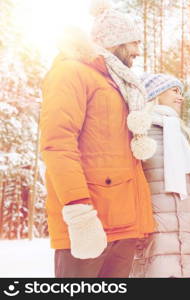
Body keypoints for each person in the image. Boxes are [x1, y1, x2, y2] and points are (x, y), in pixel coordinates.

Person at [39, 0, 156, 277]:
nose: (138, 51)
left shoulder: (120, 85)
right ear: (117, 41)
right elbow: (58, 145)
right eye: (133, 43)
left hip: (123, 225)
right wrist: (80, 213)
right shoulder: (72, 72)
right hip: (89, 224)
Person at [130, 73, 190, 278]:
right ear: (157, 93)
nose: (181, 97)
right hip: (156, 225)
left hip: (189, 223)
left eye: (181, 92)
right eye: (175, 90)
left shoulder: (184, 134)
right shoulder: (141, 131)